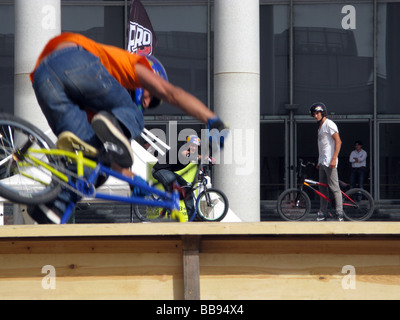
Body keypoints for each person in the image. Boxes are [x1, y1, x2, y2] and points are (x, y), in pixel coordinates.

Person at [27, 32, 227, 223]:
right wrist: (212, 120)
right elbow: (171, 93)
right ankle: (113, 124)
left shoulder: (94, 106)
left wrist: (138, 183)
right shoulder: (132, 66)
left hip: (43, 80)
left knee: (92, 164)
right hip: (71, 57)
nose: (147, 104)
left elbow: (118, 168)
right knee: (134, 116)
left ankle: (51, 208)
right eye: (151, 98)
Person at [152, 135, 202, 218]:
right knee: (174, 186)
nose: (194, 148)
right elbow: (185, 155)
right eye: (192, 145)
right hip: (159, 170)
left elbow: (197, 160)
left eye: (196, 146)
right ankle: (171, 215)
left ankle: (193, 216)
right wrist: (202, 157)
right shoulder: (181, 148)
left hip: (168, 171)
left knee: (187, 189)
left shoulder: (193, 154)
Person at [310, 102, 344, 221]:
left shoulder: (329, 124)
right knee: (322, 189)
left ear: (323, 112)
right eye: (314, 114)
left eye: (318, 113)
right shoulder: (320, 127)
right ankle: (322, 212)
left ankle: (339, 213)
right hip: (323, 162)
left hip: (330, 161)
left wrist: (334, 158)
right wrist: (319, 162)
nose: (316, 115)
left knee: (334, 188)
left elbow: (338, 142)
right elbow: (323, 147)